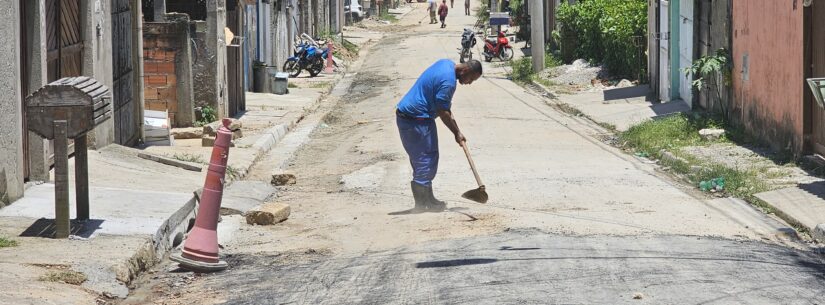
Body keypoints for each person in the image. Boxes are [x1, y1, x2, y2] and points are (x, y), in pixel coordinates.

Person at [395, 59, 483, 212]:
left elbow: (444, 106)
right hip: (415, 121)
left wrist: (458, 130)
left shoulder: (446, 64)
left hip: (416, 118)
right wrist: (456, 133)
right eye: (471, 79)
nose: (469, 83)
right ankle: (421, 205)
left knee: (428, 157)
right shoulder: (448, 83)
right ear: (465, 71)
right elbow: (443, 112)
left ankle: (429, 199)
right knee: (425, 159)